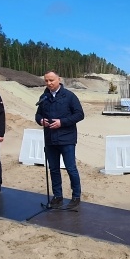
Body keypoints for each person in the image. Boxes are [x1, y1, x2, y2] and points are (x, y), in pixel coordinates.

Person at [35, 71, 84, 210]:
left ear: (59, 79)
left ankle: (76, 197)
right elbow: (38, 114)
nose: (49, 83)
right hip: (50, 138)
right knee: (54, 169)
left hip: (66, 138)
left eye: (51, 80)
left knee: (71, 168)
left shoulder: (69, 96)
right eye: (46, 81)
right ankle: (58, 196)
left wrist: (62, 122)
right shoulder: (44, 97)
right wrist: (41, 121)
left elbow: (80, 114)